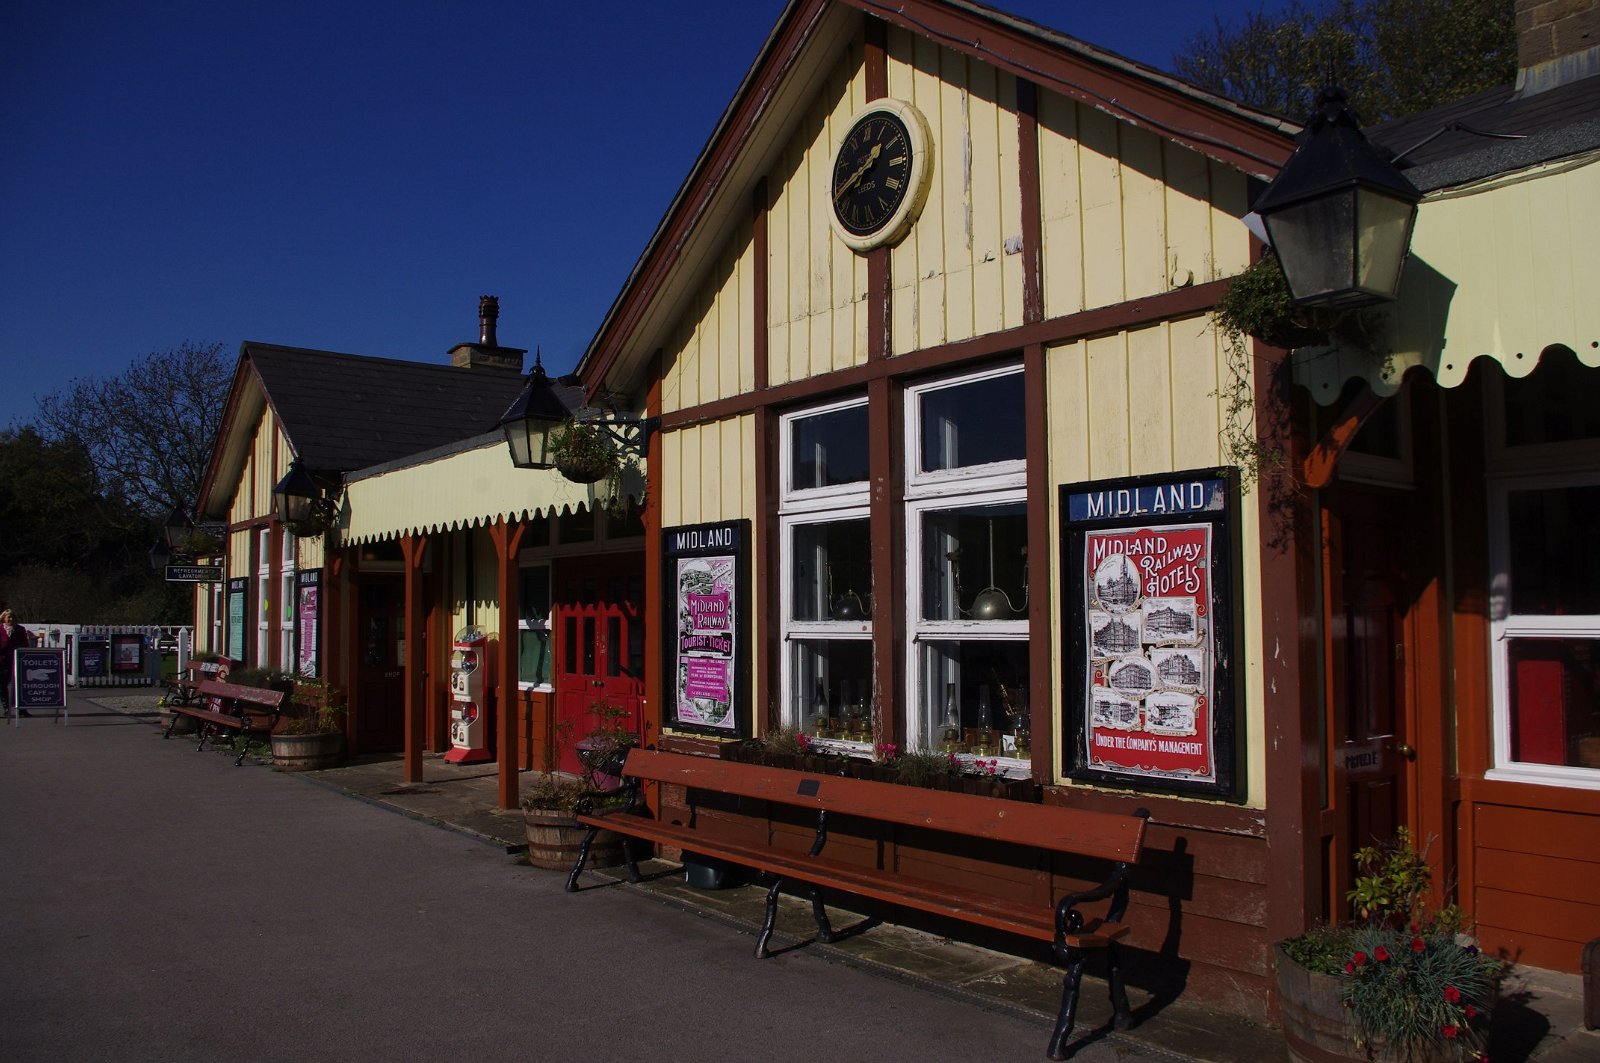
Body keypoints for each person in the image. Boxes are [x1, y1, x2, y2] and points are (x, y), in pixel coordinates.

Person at [1, 608, 33, 716]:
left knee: (19, 684)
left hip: (17, 660)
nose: (11, 619)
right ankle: (6, 709)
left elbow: (24, 643)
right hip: (3, 661)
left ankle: (22, 709)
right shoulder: (0, 629)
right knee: (3, 685)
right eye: (8, 617)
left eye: (13, 617)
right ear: (4, 618)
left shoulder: (20, 629)